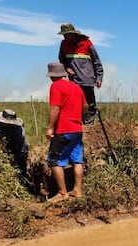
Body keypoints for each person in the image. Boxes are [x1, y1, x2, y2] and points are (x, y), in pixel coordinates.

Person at [45, 62, 88, 202]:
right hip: (77, 129)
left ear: (52, 76)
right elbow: (85, 106)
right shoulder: (76, 88)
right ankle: (77, 190)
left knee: (53, 160)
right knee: (77, 160)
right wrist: (78, 116)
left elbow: (55, 108)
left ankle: (62, 193)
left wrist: (50, 127)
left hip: (64, 129)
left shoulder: (55, 86)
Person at [57, 23, 103, 125]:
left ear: (72, 34)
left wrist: (99, 77)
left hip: (88, 80)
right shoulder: (64, 44)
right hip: (74, 81)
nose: (65, 37)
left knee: (90, 104)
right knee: (75, 103)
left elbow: (97, 61)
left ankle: (89, 125)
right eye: (63, 35)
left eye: (66, 35)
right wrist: (66, 68)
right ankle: (79, 125)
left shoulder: (87, 43)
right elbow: (61, 59)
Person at [0, 109, 29, 179]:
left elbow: (21, 148)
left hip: (18, 148)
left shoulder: (18, 131)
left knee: (20, 166)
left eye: (9, 125)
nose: (7, 125)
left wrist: (15, 163)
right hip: (3, 146)